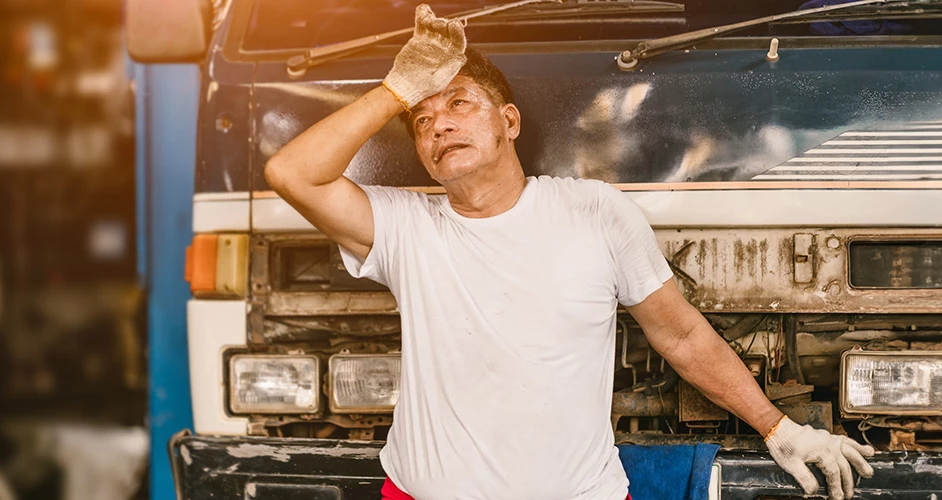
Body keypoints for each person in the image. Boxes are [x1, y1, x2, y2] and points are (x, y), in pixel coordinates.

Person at [264, 5, 875, 500]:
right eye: (422, 121)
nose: (440, 125)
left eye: (458, 103)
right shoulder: (405, 227)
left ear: (509, 121)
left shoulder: (595, 212)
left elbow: (683, 337)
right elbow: (292, 172)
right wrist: (399, 88)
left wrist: (779, 427)